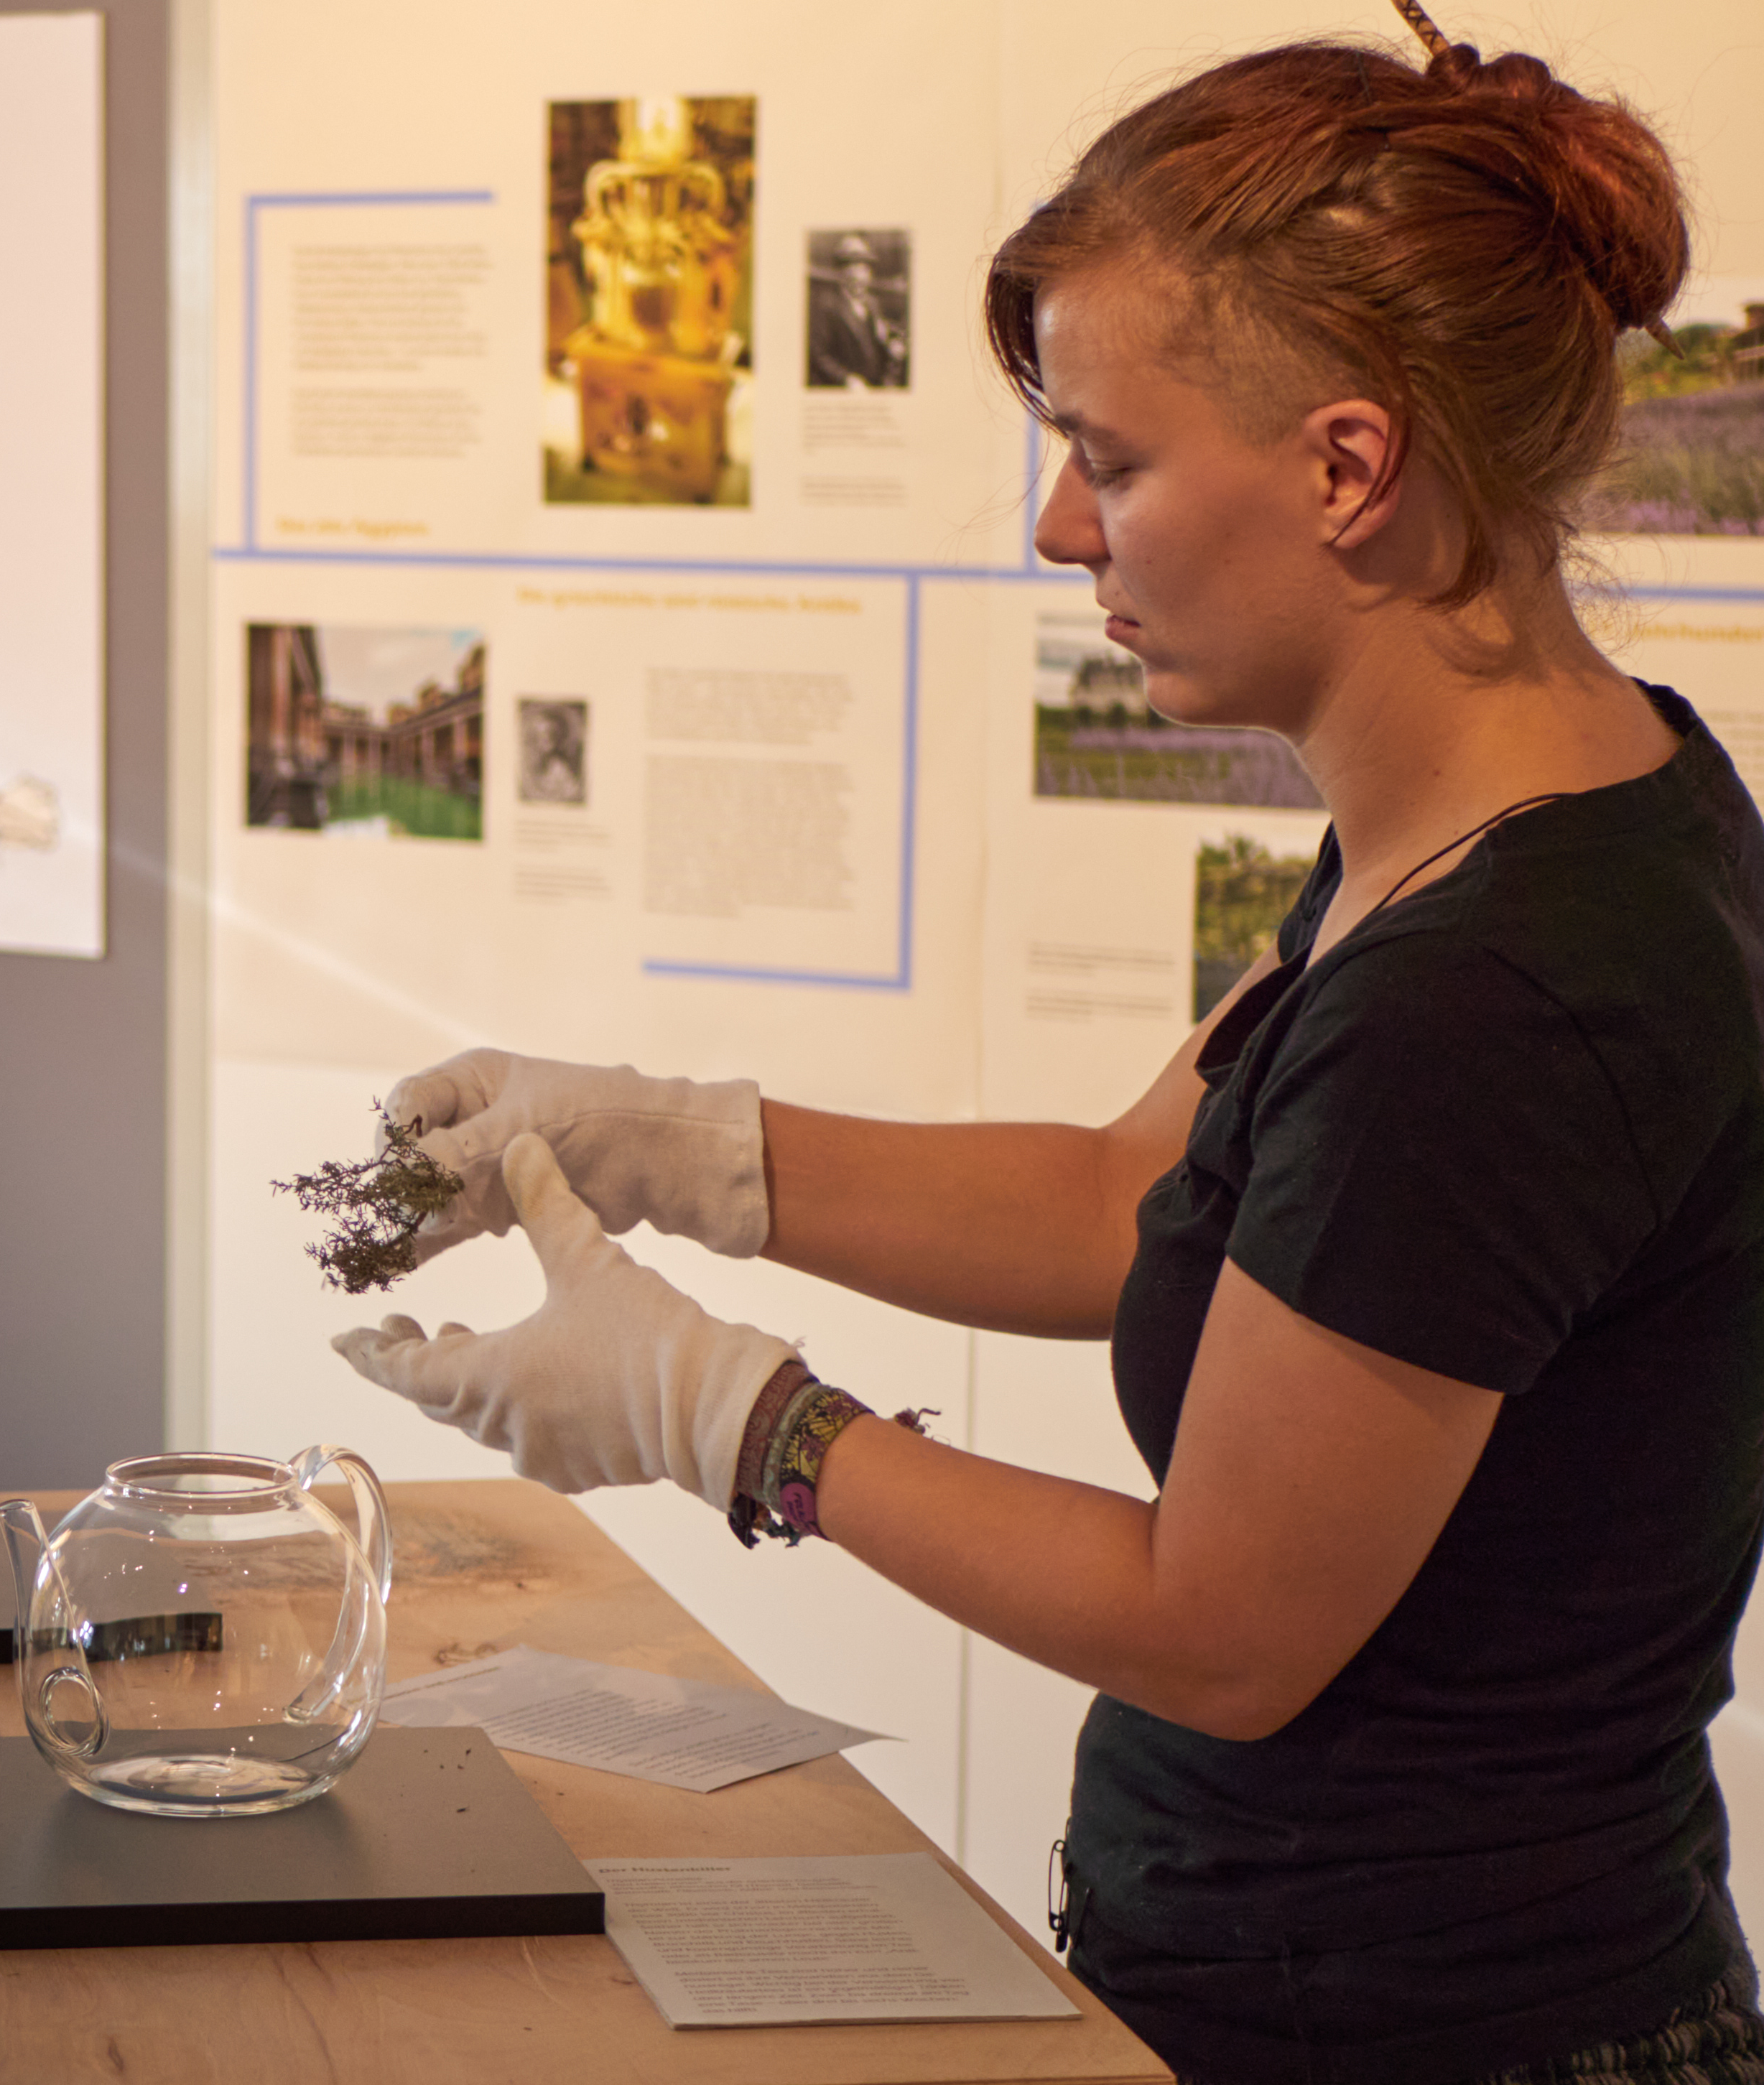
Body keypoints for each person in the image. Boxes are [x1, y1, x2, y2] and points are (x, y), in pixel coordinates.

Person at [332, 5, 1764, 2080]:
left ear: (1345, 467)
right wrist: (666, 1142)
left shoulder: (1495, 993)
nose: (1057, 529)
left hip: (1426, 2028)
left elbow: (1220, 1628)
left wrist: (731, 1415)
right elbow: (1123, 1196)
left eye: (1109, 458)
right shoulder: (1539, 820)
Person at [806, 231, 906, 389]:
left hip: (877, 384)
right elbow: (818, 356)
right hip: (848, 389)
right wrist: (846, 379)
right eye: (853, 270)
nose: (860, 277)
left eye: (865, 269)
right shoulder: (826, 306)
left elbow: (879, 337)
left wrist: (891, 345)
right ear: (841, 273)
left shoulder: (873, 303)